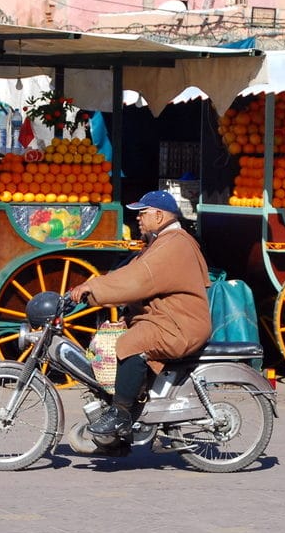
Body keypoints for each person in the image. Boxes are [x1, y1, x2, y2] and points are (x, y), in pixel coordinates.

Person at [68, 190, 212, 444]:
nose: (138, 218)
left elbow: (139, 279)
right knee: (123, 336)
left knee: (130, 343)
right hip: (168, 319)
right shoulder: (162, 242)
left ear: (159, 215)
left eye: (142, 213)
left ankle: (120, 415)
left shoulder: (174, 244)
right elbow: (140, 279)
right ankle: (124, 425)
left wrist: (94, 288)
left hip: (179, 326)